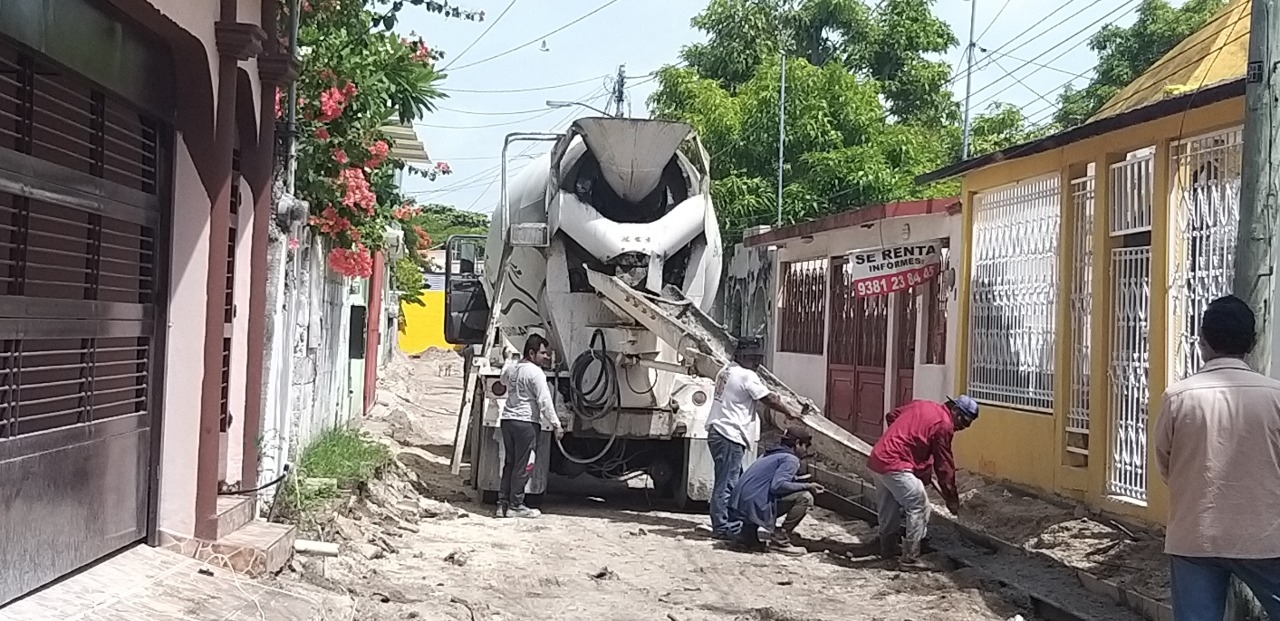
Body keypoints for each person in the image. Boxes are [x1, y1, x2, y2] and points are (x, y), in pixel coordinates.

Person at [1155, 295, 1280, 620]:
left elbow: (1166, 464)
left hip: (1195, 537)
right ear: (1252, 342)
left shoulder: (1177, 398)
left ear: (1203, 341)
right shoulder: (1275, 397)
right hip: (1267, 539)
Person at [705, 338, 803, 540]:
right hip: (729, 433)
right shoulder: (746, 375)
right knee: (727, 483)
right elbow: (768, 398)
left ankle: (733, 523)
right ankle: (722, 527)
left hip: (718, 430)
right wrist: (790, 411)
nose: (757, 363)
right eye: (753, 358)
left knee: (736, 481)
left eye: (759, 358)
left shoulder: (726, 370)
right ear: (741, 356)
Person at [868, 395, 978, 569]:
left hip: (878, 458)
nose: (962, 428)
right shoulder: (944, 425)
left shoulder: (921, 405)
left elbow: (891, 416)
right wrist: (951, 496)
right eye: (963, 422)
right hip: (895, 463)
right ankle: (910, 558)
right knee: (919, 505)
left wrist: (913, 453)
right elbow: (944, 464)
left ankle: (887, 547)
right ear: (955, 410)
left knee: (888, 505)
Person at [495, 334, 564, 519]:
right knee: (524, 464)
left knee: (510, 463)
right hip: (525, 424)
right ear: (531, 353)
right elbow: (544, 401)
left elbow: (503, 380)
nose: (546, 357)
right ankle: (516, 505)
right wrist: (556, 424)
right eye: (543, 353)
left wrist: (507, 360)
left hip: (508, 421)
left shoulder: (513, 369)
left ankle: (502, 504)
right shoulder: (535, 373)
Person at [728, 427, 823, 555]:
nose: (805, 451)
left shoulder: (769, 454)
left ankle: (746, 537)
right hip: (754, 505)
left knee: (760, 493)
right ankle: (780, 541)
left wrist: (795, 479)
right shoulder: (791, 459)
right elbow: (778, 486)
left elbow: (764, 481)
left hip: (739, 503)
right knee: (805, 497)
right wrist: (807, 486)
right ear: (797, 443)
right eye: (806, 446)